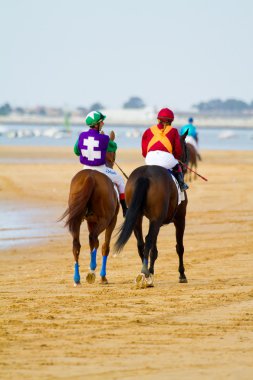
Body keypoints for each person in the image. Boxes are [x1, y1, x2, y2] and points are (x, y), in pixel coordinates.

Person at [74, 110, 128, 217]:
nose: (103, 123)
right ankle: (125, 208)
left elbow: (76, 151)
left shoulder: (81, 136)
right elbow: (113, 148)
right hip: (101, 169)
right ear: (97, 124)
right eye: (101, 122)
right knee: (120, 181)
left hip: (85, 168)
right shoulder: (104, 138)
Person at [141, 107, 189, 191]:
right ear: (171, 121)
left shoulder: (148, 130)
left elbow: (144, 152)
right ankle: (181, 184)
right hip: (166, 159)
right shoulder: (173, 131)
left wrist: (149, 156)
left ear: (158, 119)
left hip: (150, 158)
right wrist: (176, 158)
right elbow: (178, 150)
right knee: (177, 165)